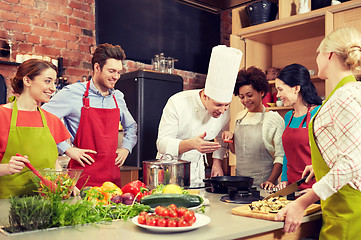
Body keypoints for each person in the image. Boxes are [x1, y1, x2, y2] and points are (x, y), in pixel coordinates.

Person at [276, 27, 361, 240]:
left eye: (318, 54)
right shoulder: (355, 93)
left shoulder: (344, 99)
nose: (317, 60)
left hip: (351, 208)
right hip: (350, 204)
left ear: (328, 54)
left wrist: (301, 203)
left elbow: (351, 163)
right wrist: (322, 165)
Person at [42, 43, 137, 188]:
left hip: (112, 180)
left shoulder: (118, 97)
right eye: (112, 71)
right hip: (81, 178)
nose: (116, 77)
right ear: (97, 68)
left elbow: (131, 126)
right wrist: (67, 149)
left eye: (119, 72)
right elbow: (42, 118)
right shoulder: (72, 93)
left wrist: (126, 148)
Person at [156, 45, 242, 188]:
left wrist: (217, 162)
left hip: (197, 172)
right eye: (218, 105)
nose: (223, 110)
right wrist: (191, 144)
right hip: (169, 169)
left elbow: (220, 137)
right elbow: (162, 143)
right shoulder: (178, 102)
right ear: (206, 95)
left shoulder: (225, 110)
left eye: (227, 105)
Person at [0, 59, 71, 198]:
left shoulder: (52, 120)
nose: (53, 88)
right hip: (5, 205)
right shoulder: (2, 116)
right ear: (27, 81)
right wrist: (6, 168)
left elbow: (54, 163)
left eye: (54, 82)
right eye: (47, 81)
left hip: (45, 204)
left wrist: (64, 184)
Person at [222, 66, 284, 189]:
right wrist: (230, 139)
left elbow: (280, 156)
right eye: (241, 97)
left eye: (249, 95)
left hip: (264, 186)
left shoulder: (274, 119)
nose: (245, 100)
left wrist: (271, 181)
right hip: (240, 184)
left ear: (261, 92)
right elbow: (235, 151)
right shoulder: (240, 117)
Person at [274, 64, 321, 192]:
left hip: (314, 188)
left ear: (296, 88)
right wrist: (284, 180)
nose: (277, 95)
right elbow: (286, 154)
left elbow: (327, 156)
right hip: (292, 187)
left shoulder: (319, 114)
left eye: (281, 89)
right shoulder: (288, 116)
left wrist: (318, 189)